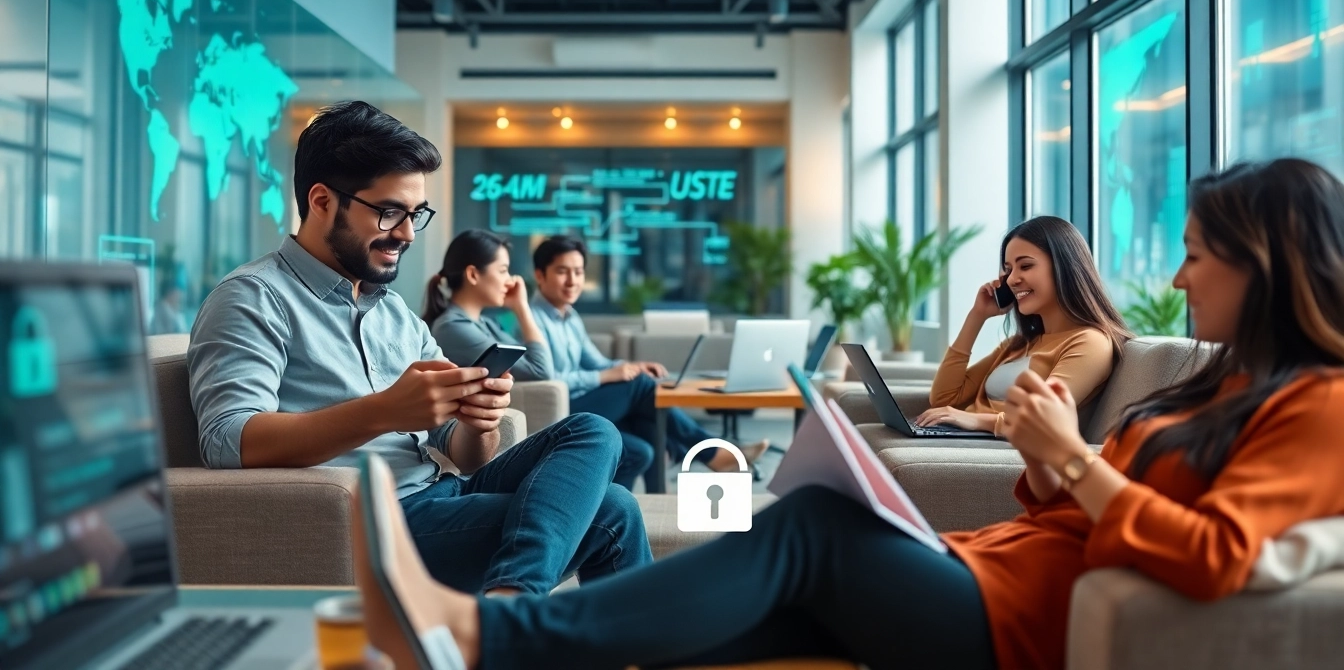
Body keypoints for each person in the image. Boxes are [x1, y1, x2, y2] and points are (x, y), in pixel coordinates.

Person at [356, 158, 1344, 670]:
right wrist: (1052, 464)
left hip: (1020, 623)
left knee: (815, 530)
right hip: (992, 570)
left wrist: (1072, 462)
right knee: (731, 596)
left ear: (1268, 268)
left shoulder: (1321, 406)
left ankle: (485, 639)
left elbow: (1213, 552)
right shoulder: (1215, 385)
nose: (1176, 275)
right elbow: (1046, 469)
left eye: (1197, 256)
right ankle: (525, 645)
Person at [187, 101, 651, 597]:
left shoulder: (394, 312)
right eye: (390, 213)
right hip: (379, 516)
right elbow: (227, 440)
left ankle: (511, 602)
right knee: (612, 511)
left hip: (441, 492)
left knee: (593, 431)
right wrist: (383, 411)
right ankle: (513, 607)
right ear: (321, 201)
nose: (407, 234)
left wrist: (478, 419)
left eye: (416, 215)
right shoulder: (253, 297)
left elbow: (466, 454)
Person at [529, 235, 768, 490]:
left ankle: (659, 499)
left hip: (586, 400)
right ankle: (710, 452)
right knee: (642, 388)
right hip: (561, 409)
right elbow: (548, 379)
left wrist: (632, 366)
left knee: (646, 438)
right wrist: (607, 376)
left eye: (578, 272)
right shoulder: (530, 320)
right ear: (540, 275)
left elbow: (598, 362)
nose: (573, 281)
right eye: (562, 272)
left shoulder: (569, 317)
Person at [916, 215, 1133, 433]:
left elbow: (1042, 416)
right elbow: (944, 397)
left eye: (1025, 266)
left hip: (994, 450)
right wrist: (977, 316)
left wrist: (973, 420)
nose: (1011, 280)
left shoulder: (1090, 342)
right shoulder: (1018, 344)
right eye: (1008, 269)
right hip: (964, 439)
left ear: (1064, 267)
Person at [423, 230, 553, 383]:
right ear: (473, 275)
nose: (509, 280)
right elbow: (540, 370)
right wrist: (522, 308)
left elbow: (539, 365)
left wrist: (519, 306)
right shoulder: (453, 328)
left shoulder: (486, 324)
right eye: (503, 271)